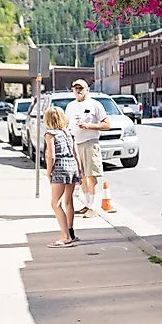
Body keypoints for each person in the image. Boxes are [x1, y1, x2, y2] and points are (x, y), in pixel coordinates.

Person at [65, 79, 110, 217]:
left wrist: (89, 126)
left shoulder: (95, 105)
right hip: (75, 144)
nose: (78, 90)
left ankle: (93, 207)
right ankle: (87, 204)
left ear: (87, 89)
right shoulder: (70, 106)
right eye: (75, 88)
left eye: (81, 88)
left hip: (90, 143)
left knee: (91, 176)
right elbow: (66, 123)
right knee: (82, 177)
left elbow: (107, 124)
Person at [44, 106, 82, 248]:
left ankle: (65, 237)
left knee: (55, 203)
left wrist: (49, 172)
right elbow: (76, 154)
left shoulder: (50, 134)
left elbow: (51, 156)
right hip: (72, 166)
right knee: (68, 201)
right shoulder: (69, 133)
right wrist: (79, 171)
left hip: (60, 167)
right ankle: (71, 232)